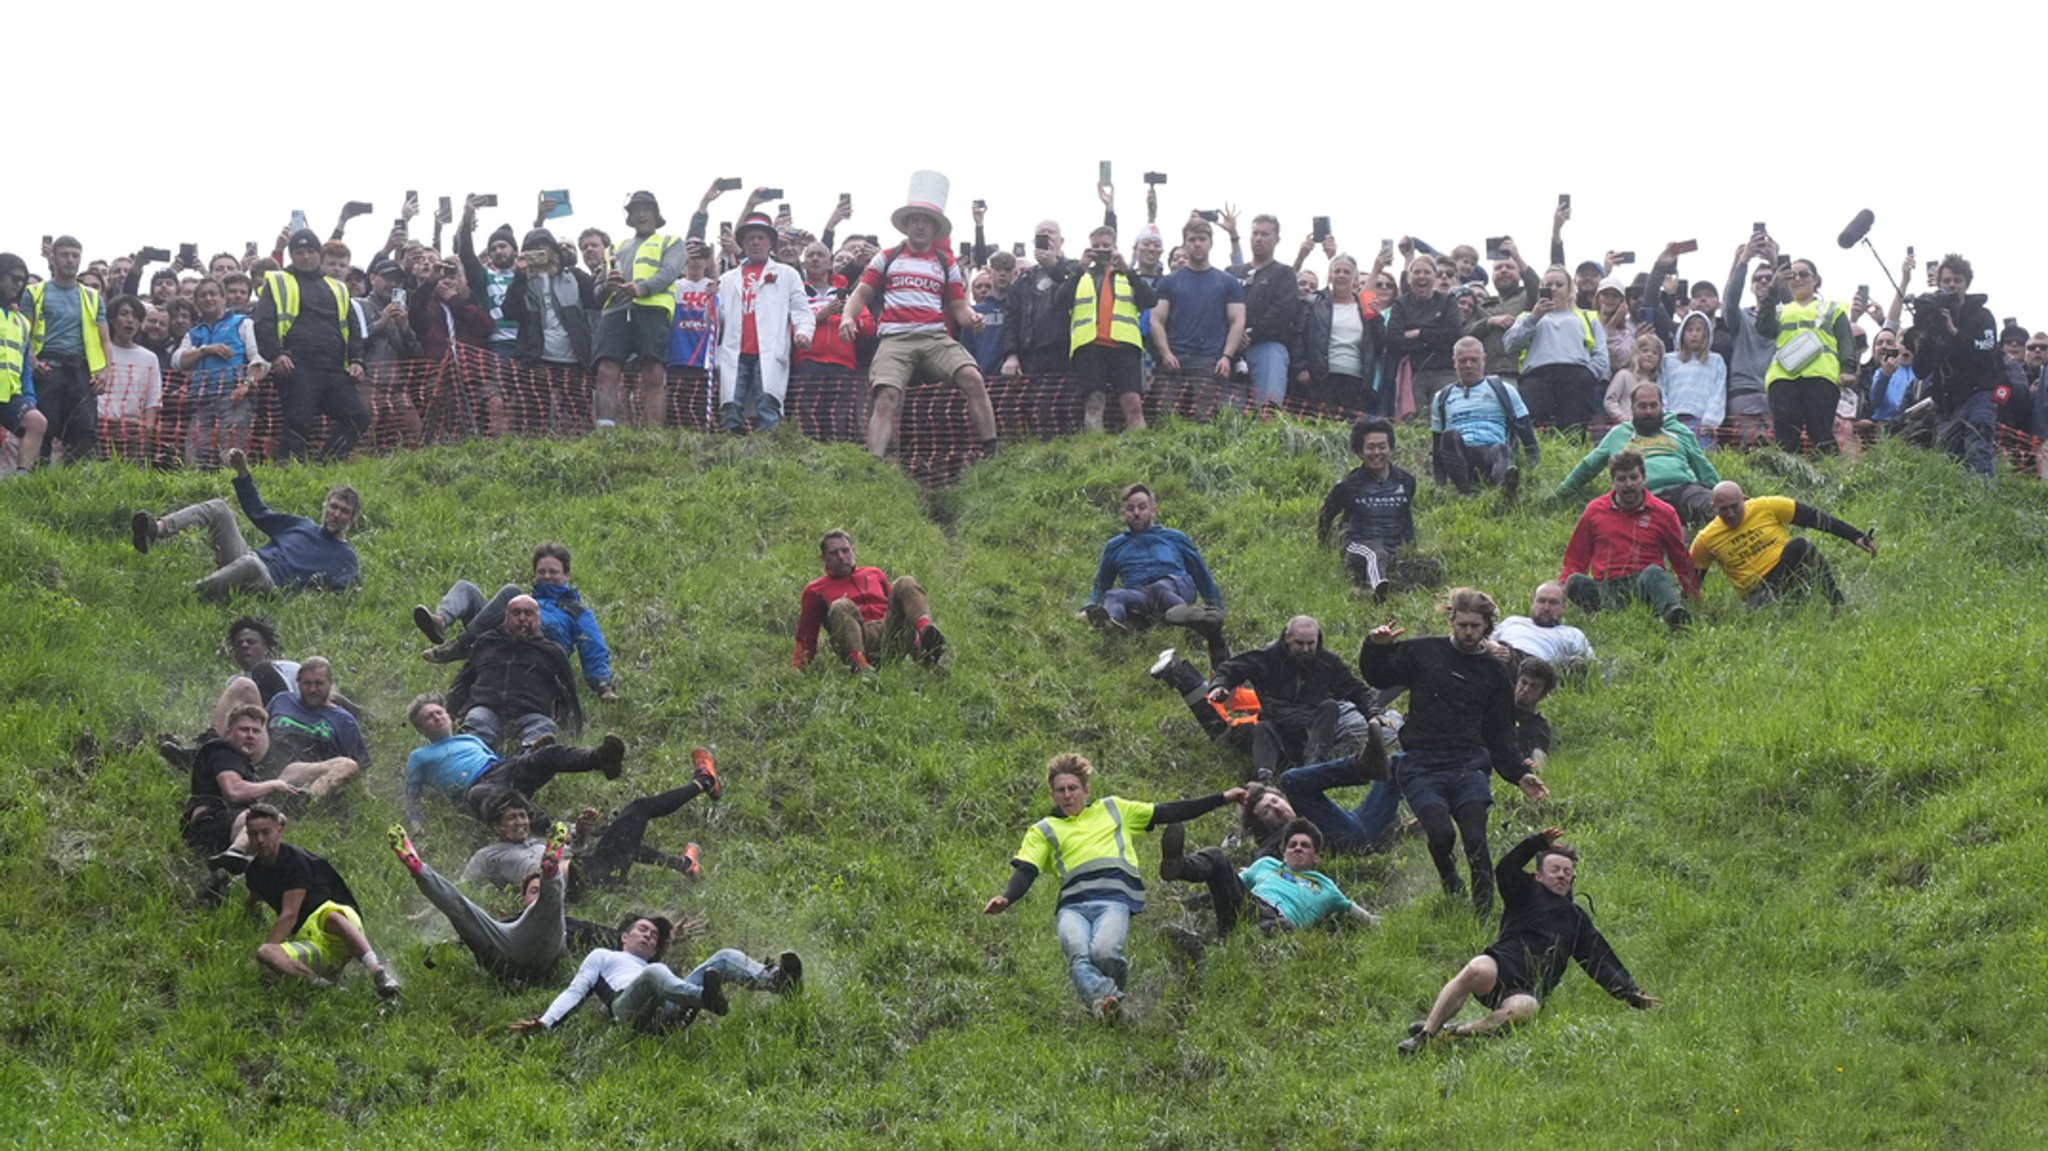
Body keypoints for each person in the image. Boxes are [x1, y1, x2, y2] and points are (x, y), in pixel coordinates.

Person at [980, 753, 1246, 1018]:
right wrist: (1007, 898)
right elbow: (1027, 870)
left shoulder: (1114, 809)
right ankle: (1108, 1002)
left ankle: (1108, 1003)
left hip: (1114, 900)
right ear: (1053, 795)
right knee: (1079, 956)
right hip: (1072, 906)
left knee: (1104, 952)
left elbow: (1169, 811)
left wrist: (1222, 798)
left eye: (1072, 788)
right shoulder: (1043, 830)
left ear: (1086, 790)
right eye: (1060, 790)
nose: (1067, 795)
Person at [1359, 588, 1547, 914]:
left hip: (1468, 763)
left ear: (1487, 625)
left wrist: (1519, 774)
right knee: (1441, 833)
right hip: (1421, 762)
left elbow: (1500, 733)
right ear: (1452, 621)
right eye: (1462, 625)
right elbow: (1377, 674)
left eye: (1475, 626)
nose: (1468, 632)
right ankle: (1450, 880)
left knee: (1475, 838)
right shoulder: (1424, 652)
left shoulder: (1494, 673)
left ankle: (1483, 914)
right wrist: (1375, 647)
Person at [1398, 827, 1657, 1053]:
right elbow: (1505, 868)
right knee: (1476, 967)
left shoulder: (1577, 920)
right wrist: (1535, 843)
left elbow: (1600, 960)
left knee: (1524, 1010)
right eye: (1554, 869)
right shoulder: (1523, 891)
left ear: (1573, 880)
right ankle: (1426, 1034)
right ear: (1538, 875)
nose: (1561, 875)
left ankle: (1454, 1034)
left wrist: (1630, 993)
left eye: (1567, 872)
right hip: (1498, 967)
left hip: (1527, 989)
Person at [837, 171, 1000, 459]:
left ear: (934, 228)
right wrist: (848, 317)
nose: (921, 226)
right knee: (886, 397)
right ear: (907, 225)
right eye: (916, 220)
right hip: (894, 340)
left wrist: (972, 319)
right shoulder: (886, 257)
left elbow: (959, 307)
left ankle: (992, 450)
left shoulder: (945, 262)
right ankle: (874, 464)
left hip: (935, 337)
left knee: (972, 377)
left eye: (926, 221)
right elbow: (862, 294)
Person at [462, 749, 718, 892]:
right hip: (575, 882)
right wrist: (423, 914)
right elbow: (461, 888)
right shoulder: (488, 855)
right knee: (638, 809)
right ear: (497, 826)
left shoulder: (541, 841)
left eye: (522, 816)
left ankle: (684, 864)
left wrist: (582, 833)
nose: (520, 822)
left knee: (621, 838)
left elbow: (577, 851)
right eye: (511, 819)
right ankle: (705, 781)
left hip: (592, 870)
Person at [509, 912, 802, 1034]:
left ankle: (776, 981)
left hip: (666, 1008)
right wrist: (546, 1022)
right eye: (642, 930)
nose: (649, 937)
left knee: (724, 957)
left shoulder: (654, 966)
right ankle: (704, 999)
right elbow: (576, 990)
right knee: (656, 974)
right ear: (624, 936)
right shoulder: (603, 956)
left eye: (654, 937)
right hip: (627, 1010)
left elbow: (663, 975)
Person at [130, 447, 360, 598]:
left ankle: (188, 594)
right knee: (219, 508)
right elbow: (259, 513)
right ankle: (156, 530)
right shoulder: (302, 525)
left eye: (344, 511)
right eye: (334, 507)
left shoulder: (345, 556)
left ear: (351, 520)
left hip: (271, 584)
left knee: (252, 564)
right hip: (248, 559)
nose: (336, 514)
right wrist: (242, 472)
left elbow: (346, 590)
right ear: (325, 506)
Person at [414, 542, 619, 699]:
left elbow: (592, 644)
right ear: (534, 574)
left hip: (536, 647)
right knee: (467, 588)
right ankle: (440, 622)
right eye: (541, 571)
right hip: (501, 635)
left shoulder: (575, 610)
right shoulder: (524, 603)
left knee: (512, 592)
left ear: (566, 575)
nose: (547, 576)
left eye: (553, 572)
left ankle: (461, 646)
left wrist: (602, 683)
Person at [241, 803, 401, 997]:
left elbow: (289, 915)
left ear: (279, 830)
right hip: (309, 939)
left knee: (331, 916)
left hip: (338, 923)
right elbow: (255, 898)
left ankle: (378, 972)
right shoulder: (254, 872)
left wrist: (263, 960)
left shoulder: (294, 859)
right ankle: (327, 988)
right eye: (253, 834)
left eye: (265, 833)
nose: (259, 840)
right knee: (266, 952)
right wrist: (264, 951)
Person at [401, 692, 624, 831]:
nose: (437, 717)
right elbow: (411, 792)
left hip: (502, 769)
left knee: (547, 754)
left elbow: (499, 762)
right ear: (421, 729)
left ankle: (601, 759)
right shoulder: (420, 756)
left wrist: (528, 762)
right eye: (429, 717)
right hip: (477, 787)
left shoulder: (469, 738)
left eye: (439, 712)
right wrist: (414, 820)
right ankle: (555, 829)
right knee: (482, 795)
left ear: (448, 716)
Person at [390, 819, 576, 982]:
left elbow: (592, 931)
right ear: (521, 897)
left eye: (540, 891)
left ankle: (550, 873)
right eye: (533, 890)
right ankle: (420, 871)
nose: (537, 895)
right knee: (462, 909)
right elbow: (465, 926)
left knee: (551, 901)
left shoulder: (565, 921)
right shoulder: (509, 922)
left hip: (547, 950)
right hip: (505, 950)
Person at [1206, 616, 1378, 782]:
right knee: (1262, 727)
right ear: (1287, 638)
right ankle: (1264, 779)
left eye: (1310, 644)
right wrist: (1220, 686)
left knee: (1330, 707)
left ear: (1318, 639)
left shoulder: (1329, 663)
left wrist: (1374, 714)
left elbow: (1356, 690)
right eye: (1299, 643)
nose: (1305, 649)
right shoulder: (1267, 657)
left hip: (1313, 731)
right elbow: (1231, 669)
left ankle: (1313, 767)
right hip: (1277, 728)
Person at [252, 229, 367, 461]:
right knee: (297, 423)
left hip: (334, 368)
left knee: (358, 416)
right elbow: (263, 322)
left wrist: (357, 360)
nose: (306, 257)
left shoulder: (338, 287)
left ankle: (327, 462)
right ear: (292, 255)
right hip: (296, 365)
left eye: (311, 252)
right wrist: (275, 355)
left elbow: (352, 328)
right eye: (299, 252)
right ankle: (291, 475)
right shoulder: (277, 281)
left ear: (319, 254)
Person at [1157, 816, 1376, 938]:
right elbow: (1228, 887)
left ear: (1316, 856)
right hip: (1247, 907)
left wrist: (1380, 924)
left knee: (1281, 927)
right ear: (1284, 851)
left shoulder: (1325, 886)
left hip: (1277, 921)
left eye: (1305, 846)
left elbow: (1358, 914)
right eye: (1292, 845)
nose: (1298, 848)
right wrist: (1187, 904)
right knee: (1216, 856)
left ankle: (1206, 945)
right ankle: (1180, 866)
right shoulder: (1266, 864)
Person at [1082, 484, 1227, 663]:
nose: (1136, 513)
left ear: (1153, 510)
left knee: (1159, 589)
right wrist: (1090, 606)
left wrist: (1215, 604)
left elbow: (1200, 572)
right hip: (1141, 595)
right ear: (1123, 513)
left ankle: (1193, 621)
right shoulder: (1114, 547)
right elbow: (1102, 584)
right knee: (1113, 595)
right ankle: (1110, 624)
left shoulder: (1175, 537)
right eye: (1130, 508)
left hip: (1175, 585)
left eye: (1142, 507)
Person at [1559, 450, 1700, 630]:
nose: (1628, 485)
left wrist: (1693, 594)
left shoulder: (1663, 512)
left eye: (1634, 478)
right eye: (1621, 479)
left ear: (1644, 478)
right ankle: (1606, 614)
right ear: (1613, 482)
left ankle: (1674, 616)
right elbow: (1575, 558)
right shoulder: (1594, 510)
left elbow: (1679, 557)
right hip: (1606, 587)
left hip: (1644, 583)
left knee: (1655, 574)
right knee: (1575, 581)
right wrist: (1560, 593)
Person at [1690, 481, 1876, 607]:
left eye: (1734, 507)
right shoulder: (1706, 539)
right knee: (1765, 604)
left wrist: (1856, 537)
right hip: (1758, 593)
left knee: (1799, 546)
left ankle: (1838, 604)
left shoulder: (1766, 506)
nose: (1730, 514)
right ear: (1714, 507)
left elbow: (1814, 517)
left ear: (1745, 500)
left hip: (1787, 572)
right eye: (1724, 509)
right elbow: (1692, 581)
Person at [1555, 384, 1719, 524]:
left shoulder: (1679, 431)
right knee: (1670, 534)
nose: (1648, 411)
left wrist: (1723, 492)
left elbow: (1702, 465)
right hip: (1645, 497)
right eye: (1642, 406)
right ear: (1632, 408)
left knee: (1716, 508)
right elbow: (1588, 466)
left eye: (1653, 406)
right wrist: (1559, 495)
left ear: (1662, 407)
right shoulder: (1618, 434)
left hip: (1687, 489)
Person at [715, 212, 815, 434]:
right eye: (751, 238)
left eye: (761, 238)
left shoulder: (786, 274)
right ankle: (730, 450)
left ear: (771, 243)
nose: (756, 242)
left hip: (769, 349)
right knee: (731, 403)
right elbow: (717, 317)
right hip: (735, 350)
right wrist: (708, 301)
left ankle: (768, 455)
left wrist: (804, 332)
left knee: (768, 402)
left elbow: (801, 309)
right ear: (742, 244)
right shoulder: (727, 279)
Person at [790, 528, 946, 671]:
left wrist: (917, 649)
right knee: (840, 605)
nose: (841, 557)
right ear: (823, 558)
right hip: (858, 639)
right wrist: (795, 670)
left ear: (854, 551)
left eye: (845, 550)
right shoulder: (815, 589)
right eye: (834, 553)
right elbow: (806, 637)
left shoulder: (874, 574)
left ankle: (927, 637)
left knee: (905, 582)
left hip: (890, 634)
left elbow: (900, 608)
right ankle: (861, 668)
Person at [593, 191, 685, 428]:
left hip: (651, 311)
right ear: (630, 217)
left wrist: (642, 288)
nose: (641, 214)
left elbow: (669, 272)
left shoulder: (671, 242)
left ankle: (653, 433)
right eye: (636, 210)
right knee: (606, 370)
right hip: (614, 312)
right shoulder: (615, 247)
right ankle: (606, 430)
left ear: (656, 214)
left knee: (653, 371)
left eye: (646, 209)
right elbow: (596, 291)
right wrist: (607, 285)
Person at [1318, 416, 1434, 598]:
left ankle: (1377, 588)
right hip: (1358, 546)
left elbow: (1405, 517)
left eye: (1382, 447)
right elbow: (1326, 516)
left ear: (1391, 448)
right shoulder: (1349, 485)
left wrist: (1412, 547)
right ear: (1360, 451)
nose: (1377, 452)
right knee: (1375, 554)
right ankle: (1377, 589)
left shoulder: (1406, 481)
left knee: (1428, 564)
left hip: (1393, 545)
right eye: (1370, 447)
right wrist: (1324, 548)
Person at [446, 595, 582, 751]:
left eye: (528, 613)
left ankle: (528, 762)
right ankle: (478, 764)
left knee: (542, 735)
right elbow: (463, 681)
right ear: (506, 616)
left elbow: (568, 695)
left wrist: (572, 734)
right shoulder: (486, 642)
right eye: (516, 613)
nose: (522, 618)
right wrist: (450, 713)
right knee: (476, 728)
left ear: (538, 618)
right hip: (487, 709)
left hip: (531, 714)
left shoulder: (552, 651)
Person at [1056, 225, 1156, 433]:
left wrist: (1128, 269)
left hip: (1124, 346)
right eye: (1096, 247)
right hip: (1089, 346)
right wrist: (1079, 268)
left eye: (1106, 246)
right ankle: (1096, 450)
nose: (1101, 250)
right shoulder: (1080, 276)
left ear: (1115, 248)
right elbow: (1059, 302)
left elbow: (1150, 300)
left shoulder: (1127, 275)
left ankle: (1141, 450)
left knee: (1133, 403)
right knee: (1094, 402)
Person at [1910, 253, 2003, 477]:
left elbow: (1988, 350)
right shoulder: (1932, 318)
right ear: (1939, 284)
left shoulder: (1982, 315)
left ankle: (1984, 503)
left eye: (1957, 280)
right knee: (1949, 464)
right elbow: (1921, 371)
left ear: (1966, 283)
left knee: (1978, 451)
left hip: (1978, 394)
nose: (1952, 285)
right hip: (1947, 403)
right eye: (1947, 281)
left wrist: (1954, 332)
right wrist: (1921, 341)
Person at [179, 703, 302, 869]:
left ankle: (225, 875)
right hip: (209, 820)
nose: (250, 735)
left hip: (225, 824)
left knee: (273, 826)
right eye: (244, 730)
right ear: (229, 731)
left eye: (256, 731)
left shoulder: (242, 763)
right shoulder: (223, 751)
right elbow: (234, 791)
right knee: (271, 819)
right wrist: (274, 784)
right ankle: (235, 853)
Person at [21, 235, 110, 462]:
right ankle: (36, 484)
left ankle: (74, 487)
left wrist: (105, 371)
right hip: (47, 367)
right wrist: (32, 361)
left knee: (83, 432)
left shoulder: (92, 297)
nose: (70, 260)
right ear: (53, 258)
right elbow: (24, 334)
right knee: (44, 429)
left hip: (80, 368)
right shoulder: (34, 293)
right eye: (64, 255)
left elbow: (104, 340)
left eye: (75, 255)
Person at [1754, 256, 1854, 454]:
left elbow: (1846, 340)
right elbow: (1763, 328)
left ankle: (1829, 477)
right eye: (1792, 275)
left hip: (1821, 376)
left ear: (1815, 279)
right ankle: (1784, 478)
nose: (1797, 279)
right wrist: (1773, 289)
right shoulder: (1779, 309)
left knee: (1821, 430)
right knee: (1785, 433)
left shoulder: (1832, 309)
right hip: (1784, 377)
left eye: (1803, 274)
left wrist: (1848, 368)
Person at [1430, 337, 1540, 497]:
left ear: (1484, 360)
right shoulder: (1442, 397)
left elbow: (1526, 431)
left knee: (1501, 449)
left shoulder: (1504, 390)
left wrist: (1533, 468)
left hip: (1493, 454)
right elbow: (1437, 445)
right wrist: (1439, 484)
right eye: (1463, 361)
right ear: (1454, 362)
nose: (1468, 365)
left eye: (1473, 360)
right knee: (1448, 436)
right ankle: (1465, 491)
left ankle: (1502, 486)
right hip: (1461, 456)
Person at [172, 276, 264, 465]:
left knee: (231, 451)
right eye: (203, 295)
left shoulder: (242, 323)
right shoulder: (193, 333)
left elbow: (259, 360)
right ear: (196, 302)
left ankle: (235, 488)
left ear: (223, 298)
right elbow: (177, 361)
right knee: (196, 452)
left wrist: (246, 386)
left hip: (233, 396)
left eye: (213, 294)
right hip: (201, 399)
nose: (208, 298)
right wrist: (206, 350)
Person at [1503, 266, 1608, 430]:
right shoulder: (1526, 317)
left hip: (1576, 378)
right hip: (1536, 378)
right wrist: (1533, 318)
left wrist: (1588, 374)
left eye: (1559, 284)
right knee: (1536, 431)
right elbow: (1509, 344)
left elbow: (1601, 355)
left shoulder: (1588, 317)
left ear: (1570, 288)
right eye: (1549, 285)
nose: (1553, 289)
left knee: (1573, 432)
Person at [1149, 218, 1245, 383]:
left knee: (1203, 410)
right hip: (1174, 360)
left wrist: (1226, 357)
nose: (1197, 244)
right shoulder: (1168, 282)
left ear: (1211, 243)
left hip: (1210, 361)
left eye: (1202, 239)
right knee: (1166, 409)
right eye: (1192, 239)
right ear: (1184, 244)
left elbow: (1238, 321)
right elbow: (1156, 319)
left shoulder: (1228, 282)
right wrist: (1165, 353)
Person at [1292, 253, 1382, 410]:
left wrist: (1376, 319)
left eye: (1346, 272)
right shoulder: (1314, 302)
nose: (1341, 275)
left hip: (1356, 380)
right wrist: (1300, 366)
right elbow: (1299, 335)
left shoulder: (1363, 307)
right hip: (1321, 378)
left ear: (1355, 278)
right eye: (1337, 271)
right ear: (1330, 276)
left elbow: (1379, 345)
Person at [1232, 214, 1304, 405]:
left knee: (1266, 410)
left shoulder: (1284, 273)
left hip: (1267, 347)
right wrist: (1234, 337)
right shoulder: (1232, 272)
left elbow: (1281, 312)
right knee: (1228, 413)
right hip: (1230, 349)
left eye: (1265, 234)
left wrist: (1249, 335)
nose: (1259, 238)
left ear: (1276, 239)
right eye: (1255, 233)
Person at [1383, 253, 1462, 415]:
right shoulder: (1401, 304)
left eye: (1427, 272)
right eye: (1417, 272)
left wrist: (1419, 333)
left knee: (1445, 417)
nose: (1421, 276)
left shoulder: (1448, 301)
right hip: (1413, 372)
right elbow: (1394, 340)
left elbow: (1453, 335)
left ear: (1435, 276)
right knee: (1415, 420)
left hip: (1444, 371)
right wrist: (1434, 336)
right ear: (1410, 277)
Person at [0, 253, 51, 475]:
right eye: (14, 278)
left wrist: (29, 397)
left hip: (10, 393)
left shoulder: (21, 320)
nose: (19, 284)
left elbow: (24, 366)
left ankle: (21, 480)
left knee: (37, 422)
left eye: (22, 280)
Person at [1490, 582, 1594, 675]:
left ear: (1564, 607)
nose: (1546, 608)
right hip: (1498, 656)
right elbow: (1486, 639)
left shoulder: (1572, 633)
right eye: (1541, 601)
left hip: (1535, 667)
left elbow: (1590, 664)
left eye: (1553, 603)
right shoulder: (1513, 621)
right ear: (1532, 603)